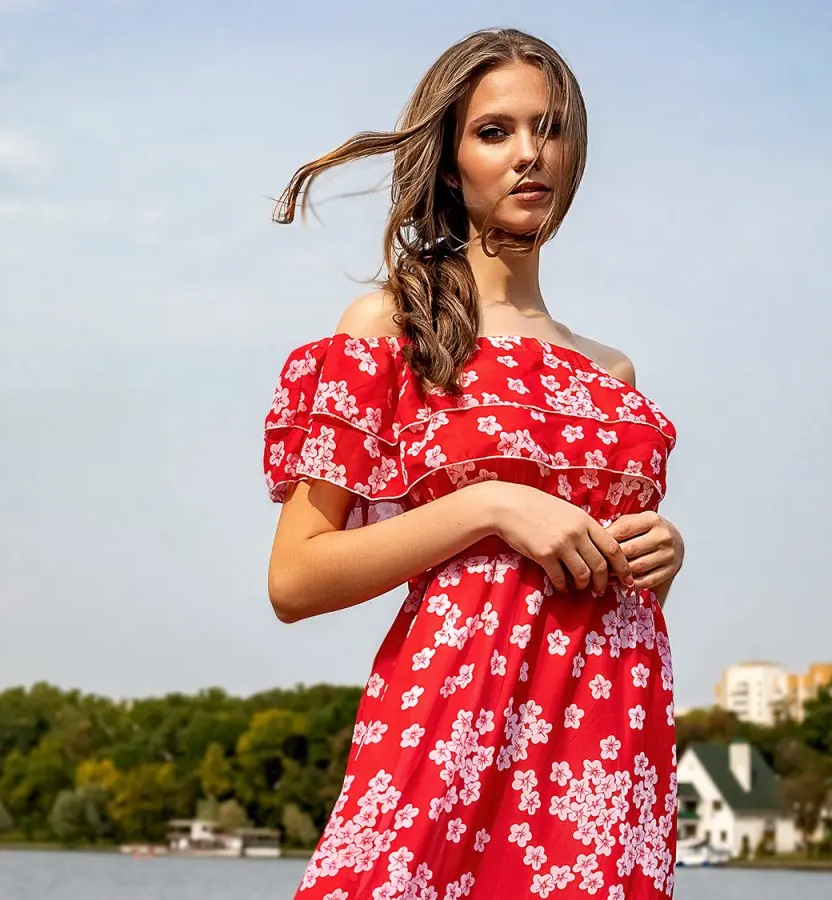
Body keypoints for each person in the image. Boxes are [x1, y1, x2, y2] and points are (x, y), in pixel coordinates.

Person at [262, 28, 686, 899]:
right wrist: (488, 503)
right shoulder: (389, 328)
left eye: (551, 126)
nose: (530, 152)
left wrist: (656, 559)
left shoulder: (614, 377)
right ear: (451, 162)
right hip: (447, 731)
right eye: (495, 131)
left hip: (601, 751)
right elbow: (295, 579)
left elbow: (601, 595)